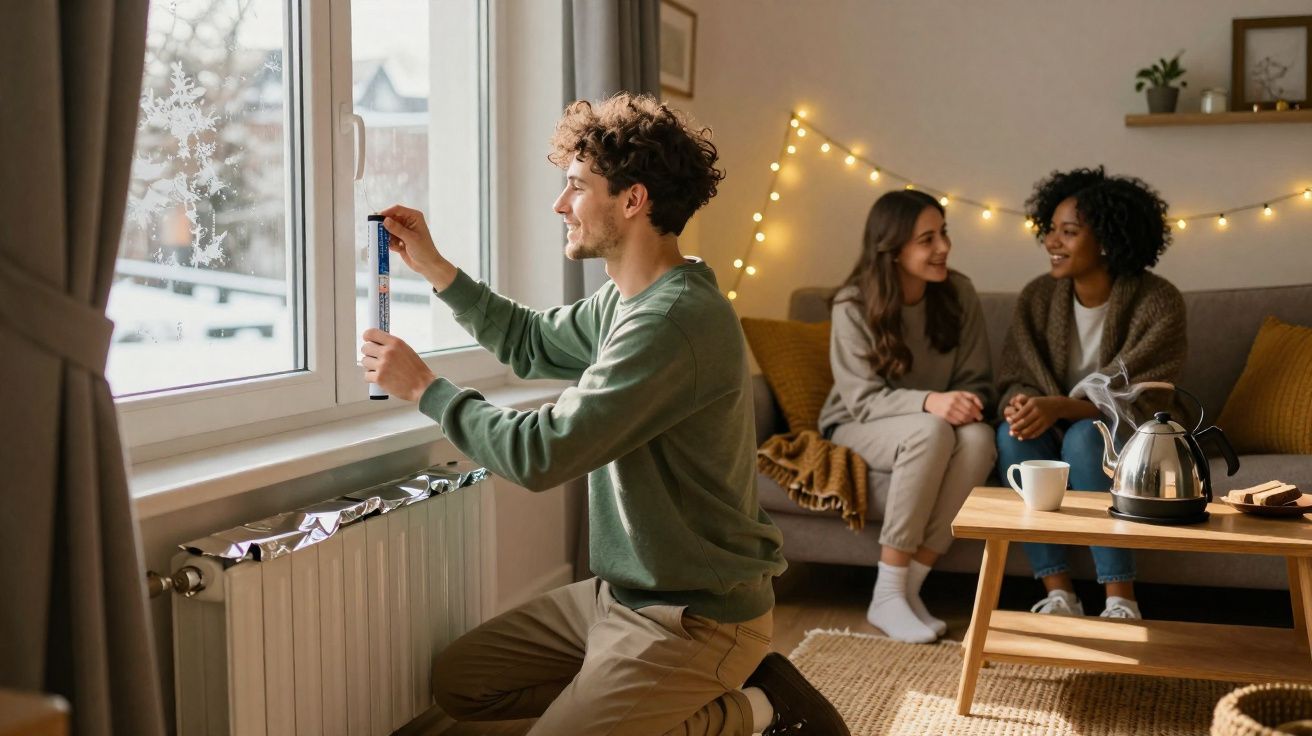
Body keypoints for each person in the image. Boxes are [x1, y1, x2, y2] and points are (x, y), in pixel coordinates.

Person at [361, 93, 849, 735]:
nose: (559, 205)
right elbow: (530, 342)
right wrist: (433, 266)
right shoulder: (627, 300)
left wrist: (426, 388)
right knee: (463, 683)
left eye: (576, 186)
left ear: (632, 200)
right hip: (619, 598)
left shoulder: (672, 320)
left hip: (696, 616)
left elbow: (543, 454)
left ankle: (761, 708)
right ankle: (637, 695)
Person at [996, 166, 1185, 621]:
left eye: (1068, 232)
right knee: (1011, 435)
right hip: (1052, 426)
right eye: (1050, 230)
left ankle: (1121, 600)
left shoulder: (1158, 300)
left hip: (1131, 433)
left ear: (1106, 241)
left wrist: (1062, 407)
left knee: (1086, 438)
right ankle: (1059, 594)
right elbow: (1017, 373)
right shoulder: (1037, 297)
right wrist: (1022, 403)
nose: (1052, 242)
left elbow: (1149, 397)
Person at [818, 190, 997, 644]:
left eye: (944, 233)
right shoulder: (852, 303)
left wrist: (963, 403)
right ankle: (888, 590)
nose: (943, 247)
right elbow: (862, 399)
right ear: (893, 248)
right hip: (856, 423)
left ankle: (906, 588)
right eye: (927, 239)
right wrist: (930, 401)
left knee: (980, 440)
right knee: (929, 431)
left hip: (933, 423)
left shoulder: (959, 293)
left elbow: (977, 380)